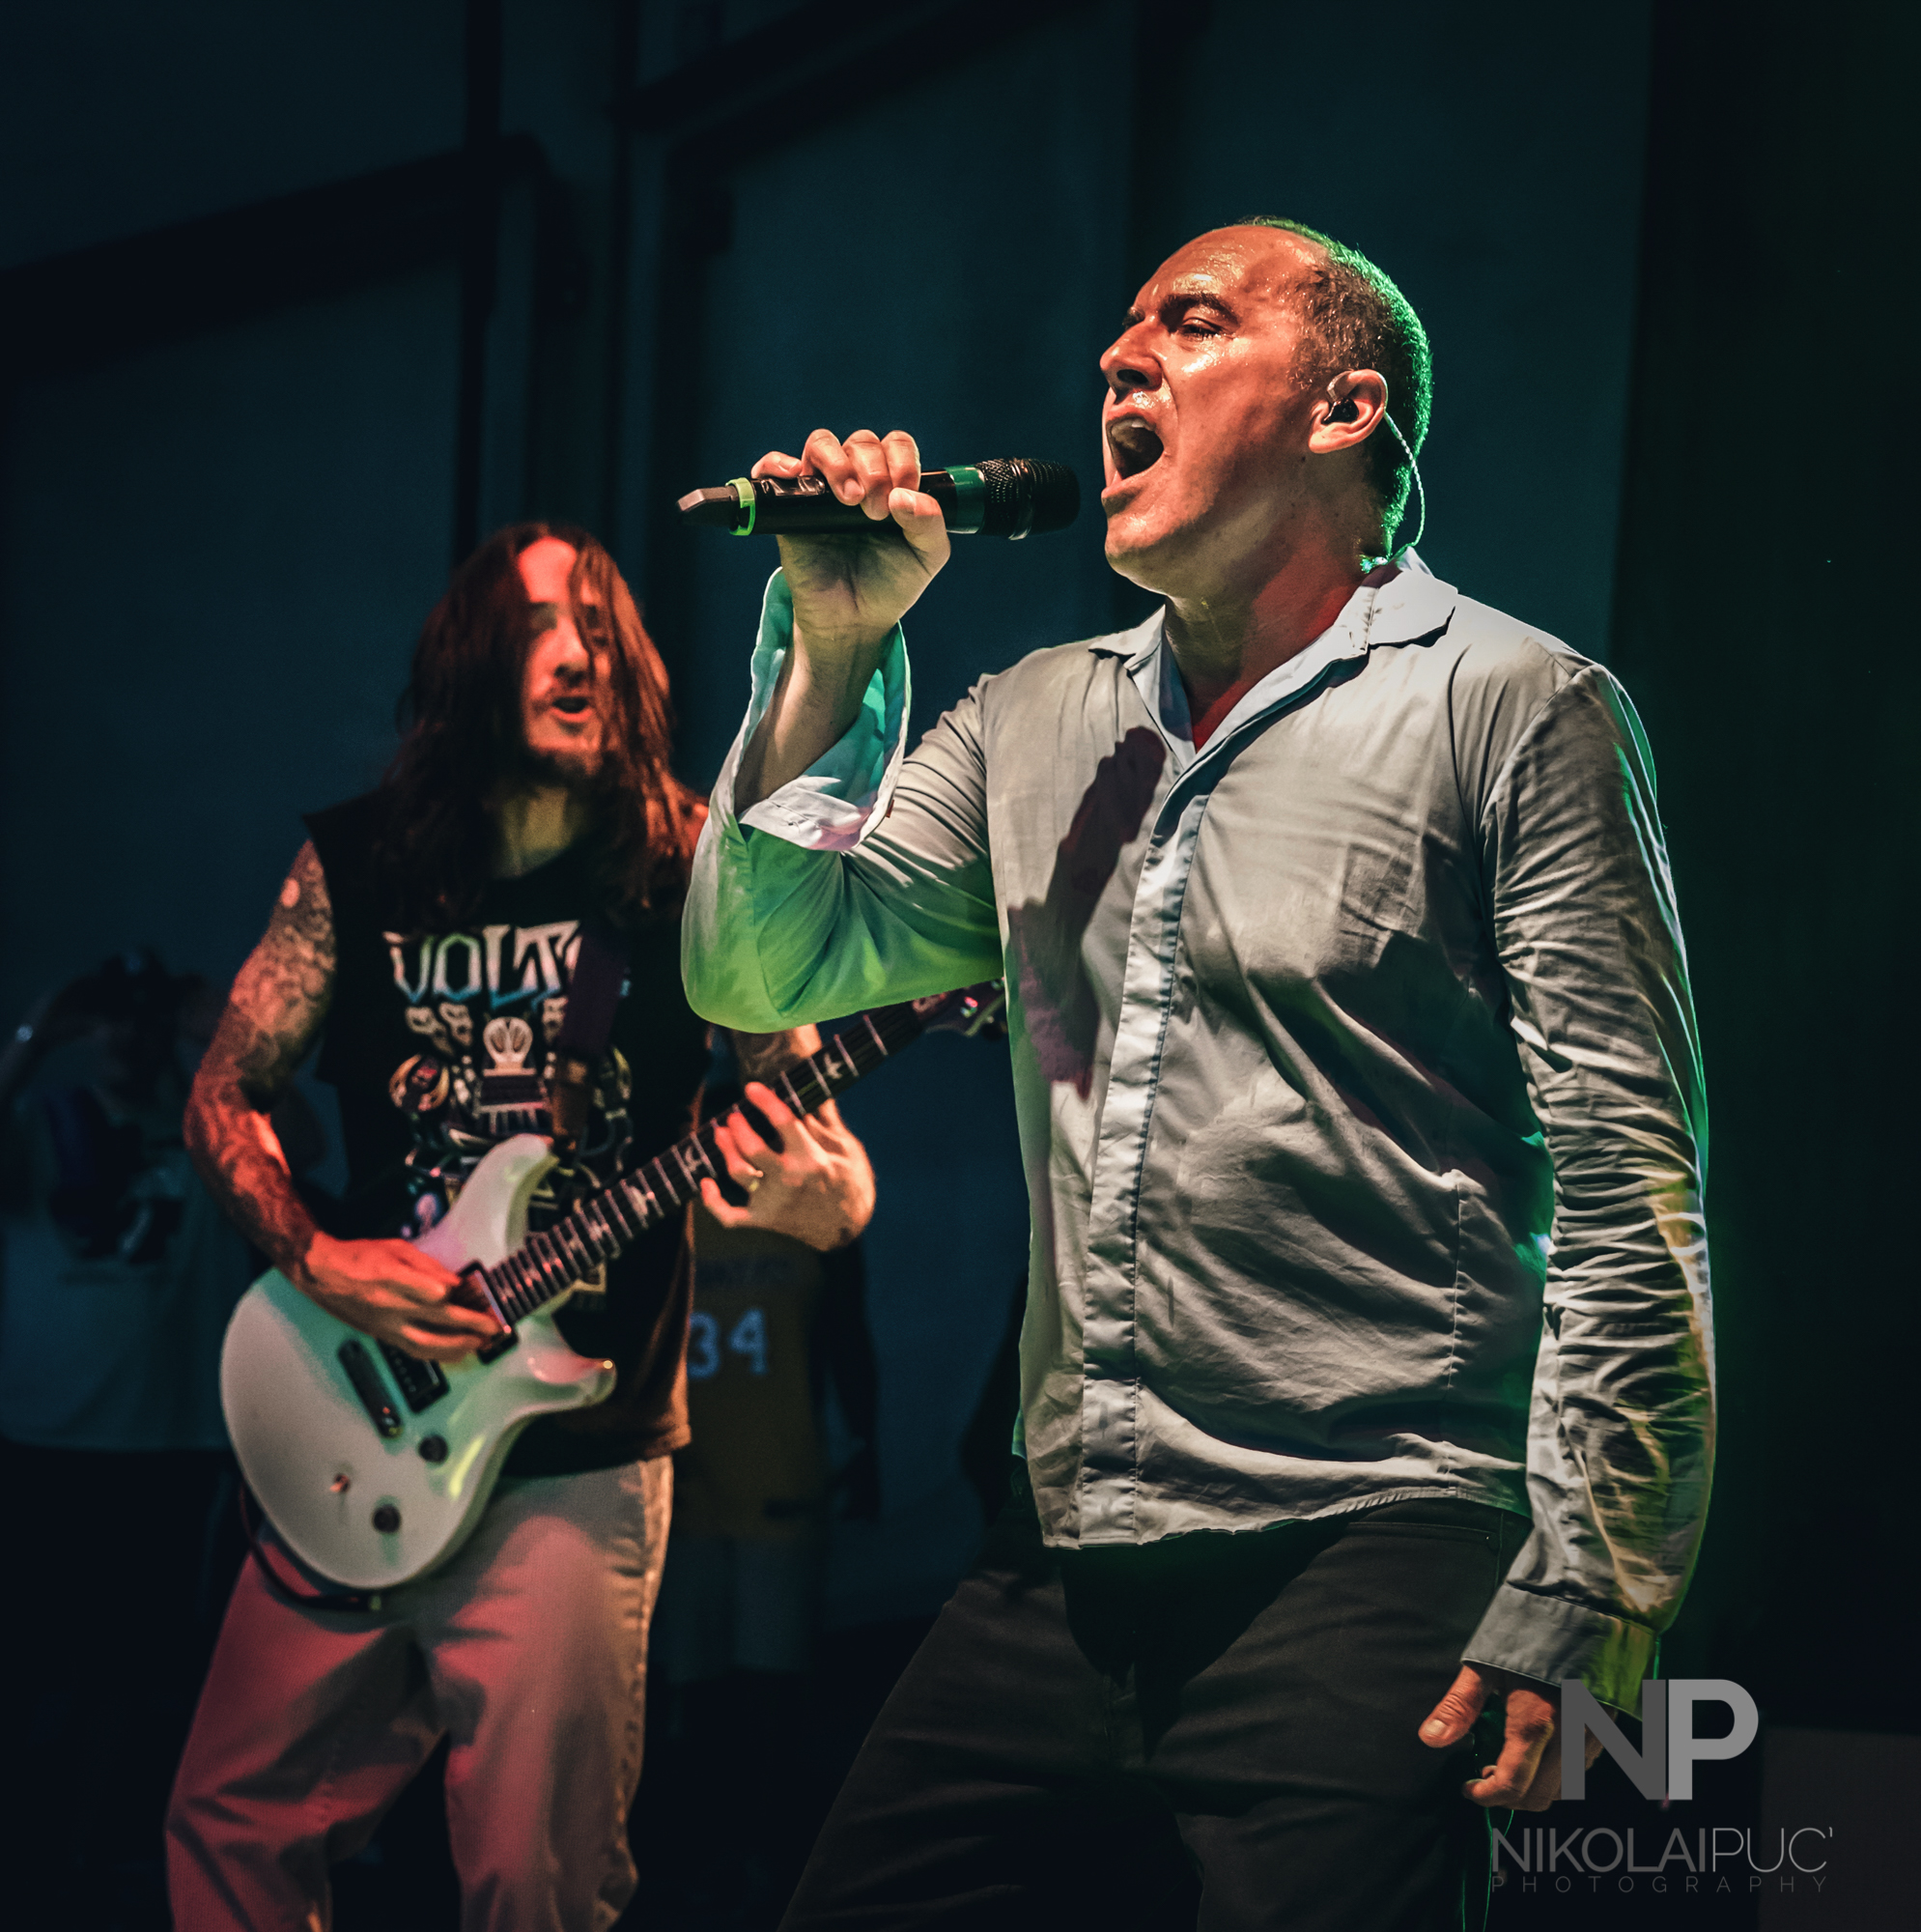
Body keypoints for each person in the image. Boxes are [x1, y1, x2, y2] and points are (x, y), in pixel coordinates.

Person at [680, 218, 1713, 1929]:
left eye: (1191, 320)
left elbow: (1627, 1180)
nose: (1118, 356)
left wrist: (1596, 1576)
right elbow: (758, 970)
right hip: (1060, 1552)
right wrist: (835, 648)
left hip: (1369, 1552)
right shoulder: (1031, 718)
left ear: (1341, 411)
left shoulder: (1516, 708)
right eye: (1120, 332)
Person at [165, 523, 876, 1931]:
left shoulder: (691, 870)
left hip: (579, 1456)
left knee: (534, 1881)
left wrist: (816, 1202)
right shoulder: (359, 868)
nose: (577, 655)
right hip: (358, 1413)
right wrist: (319, 1259)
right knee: (230, 1818)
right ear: (471, 661)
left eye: (600, 627)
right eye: (543, 624)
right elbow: (222, 1094)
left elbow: (835, 1167)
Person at [0, 951, 281, 1927]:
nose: (130, 1037)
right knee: (32, 1660)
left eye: (146, 1019)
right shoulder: (39, 1126)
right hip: (43, 1439)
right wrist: (37, 1033)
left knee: (133, 1668)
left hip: (166, 1444)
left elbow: (303, 1147)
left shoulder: (210, 1131)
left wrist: (228, 1037)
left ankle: (78, 1860)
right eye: (113, 1020)